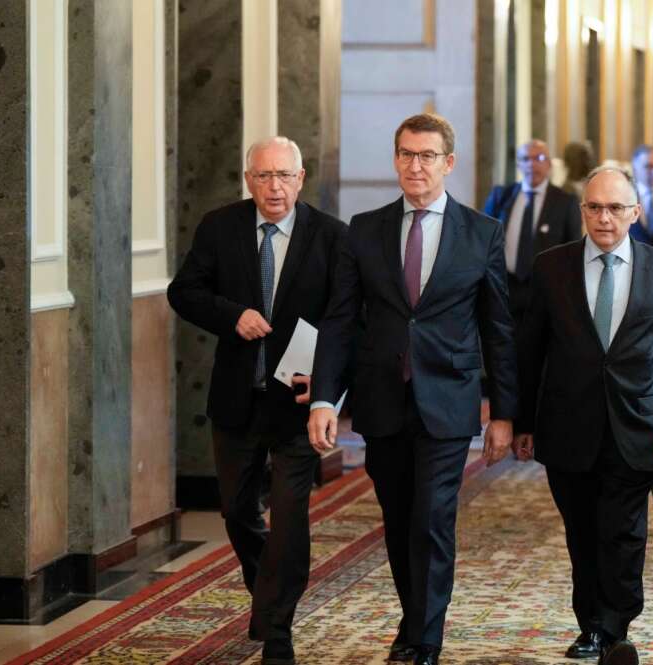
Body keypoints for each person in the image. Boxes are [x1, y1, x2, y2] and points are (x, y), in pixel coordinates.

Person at [306, 113, 518, 665]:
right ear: (395, 158)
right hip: (382, 401)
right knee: (399, 518)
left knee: (432, 517)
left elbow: (498, 327)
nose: (415, 166)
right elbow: (341, 319)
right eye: (405, 154)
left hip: (448, 399)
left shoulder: (482, 233)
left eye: (426, 156)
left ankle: (426, 635)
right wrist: (328, 397)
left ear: (449, 163)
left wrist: (504, 413)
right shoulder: (365, 228)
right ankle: (414, 614)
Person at [167, 137, 347, 665]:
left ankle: (277, 630)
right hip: (237, 398)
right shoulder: (219, 227)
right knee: (238, 511)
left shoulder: (332, 237)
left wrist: (329, 388)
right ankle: (268, 590)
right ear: (249, 179)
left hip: (297, 401)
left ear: (301, 177)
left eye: (284, 176)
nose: (275, 187)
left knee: (290, 517)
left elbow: (344, 320)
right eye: (264, 176)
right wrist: (232, 315)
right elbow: (184, 291)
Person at [514, 166, 653, 665]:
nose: (604, 218)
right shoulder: (551, 266)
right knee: (582, 531)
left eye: (615, 208)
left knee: (623, 530)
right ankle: (591, 621)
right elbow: (530, 350)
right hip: (567, 424)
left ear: (635, 212)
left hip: (637, 425)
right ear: (582, 210)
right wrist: (521, 421)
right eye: (594, 207)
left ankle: (613, 625)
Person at [483, 139, 582, 323]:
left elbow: (574, 251)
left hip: (546, 292)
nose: (532, 164)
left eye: (539, 158)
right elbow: (482, 241)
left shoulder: (566, 202)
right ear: (519, 164)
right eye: (525, 159)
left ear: (550, 164)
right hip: (503, 290)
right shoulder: (501, 196)